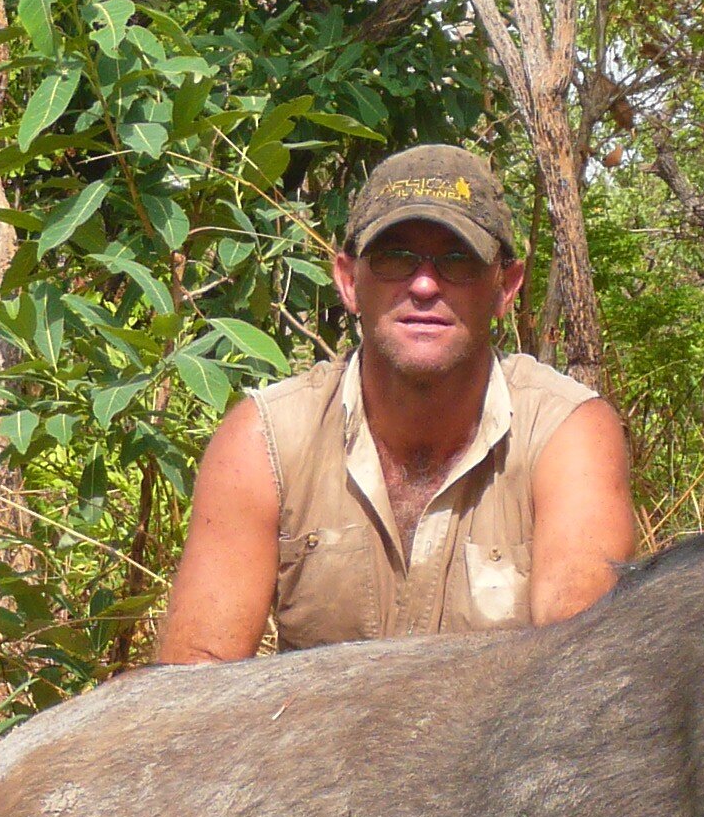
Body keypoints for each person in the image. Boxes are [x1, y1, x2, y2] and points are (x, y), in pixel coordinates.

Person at [154, 143, 636, 660]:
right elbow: (193, 682)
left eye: (458, 260)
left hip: (500, 742)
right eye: (394, 258)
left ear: (505, 288)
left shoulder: (567, 433)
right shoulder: (264, 440)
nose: (425, 285)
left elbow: (582, 669)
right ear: (347, 281)